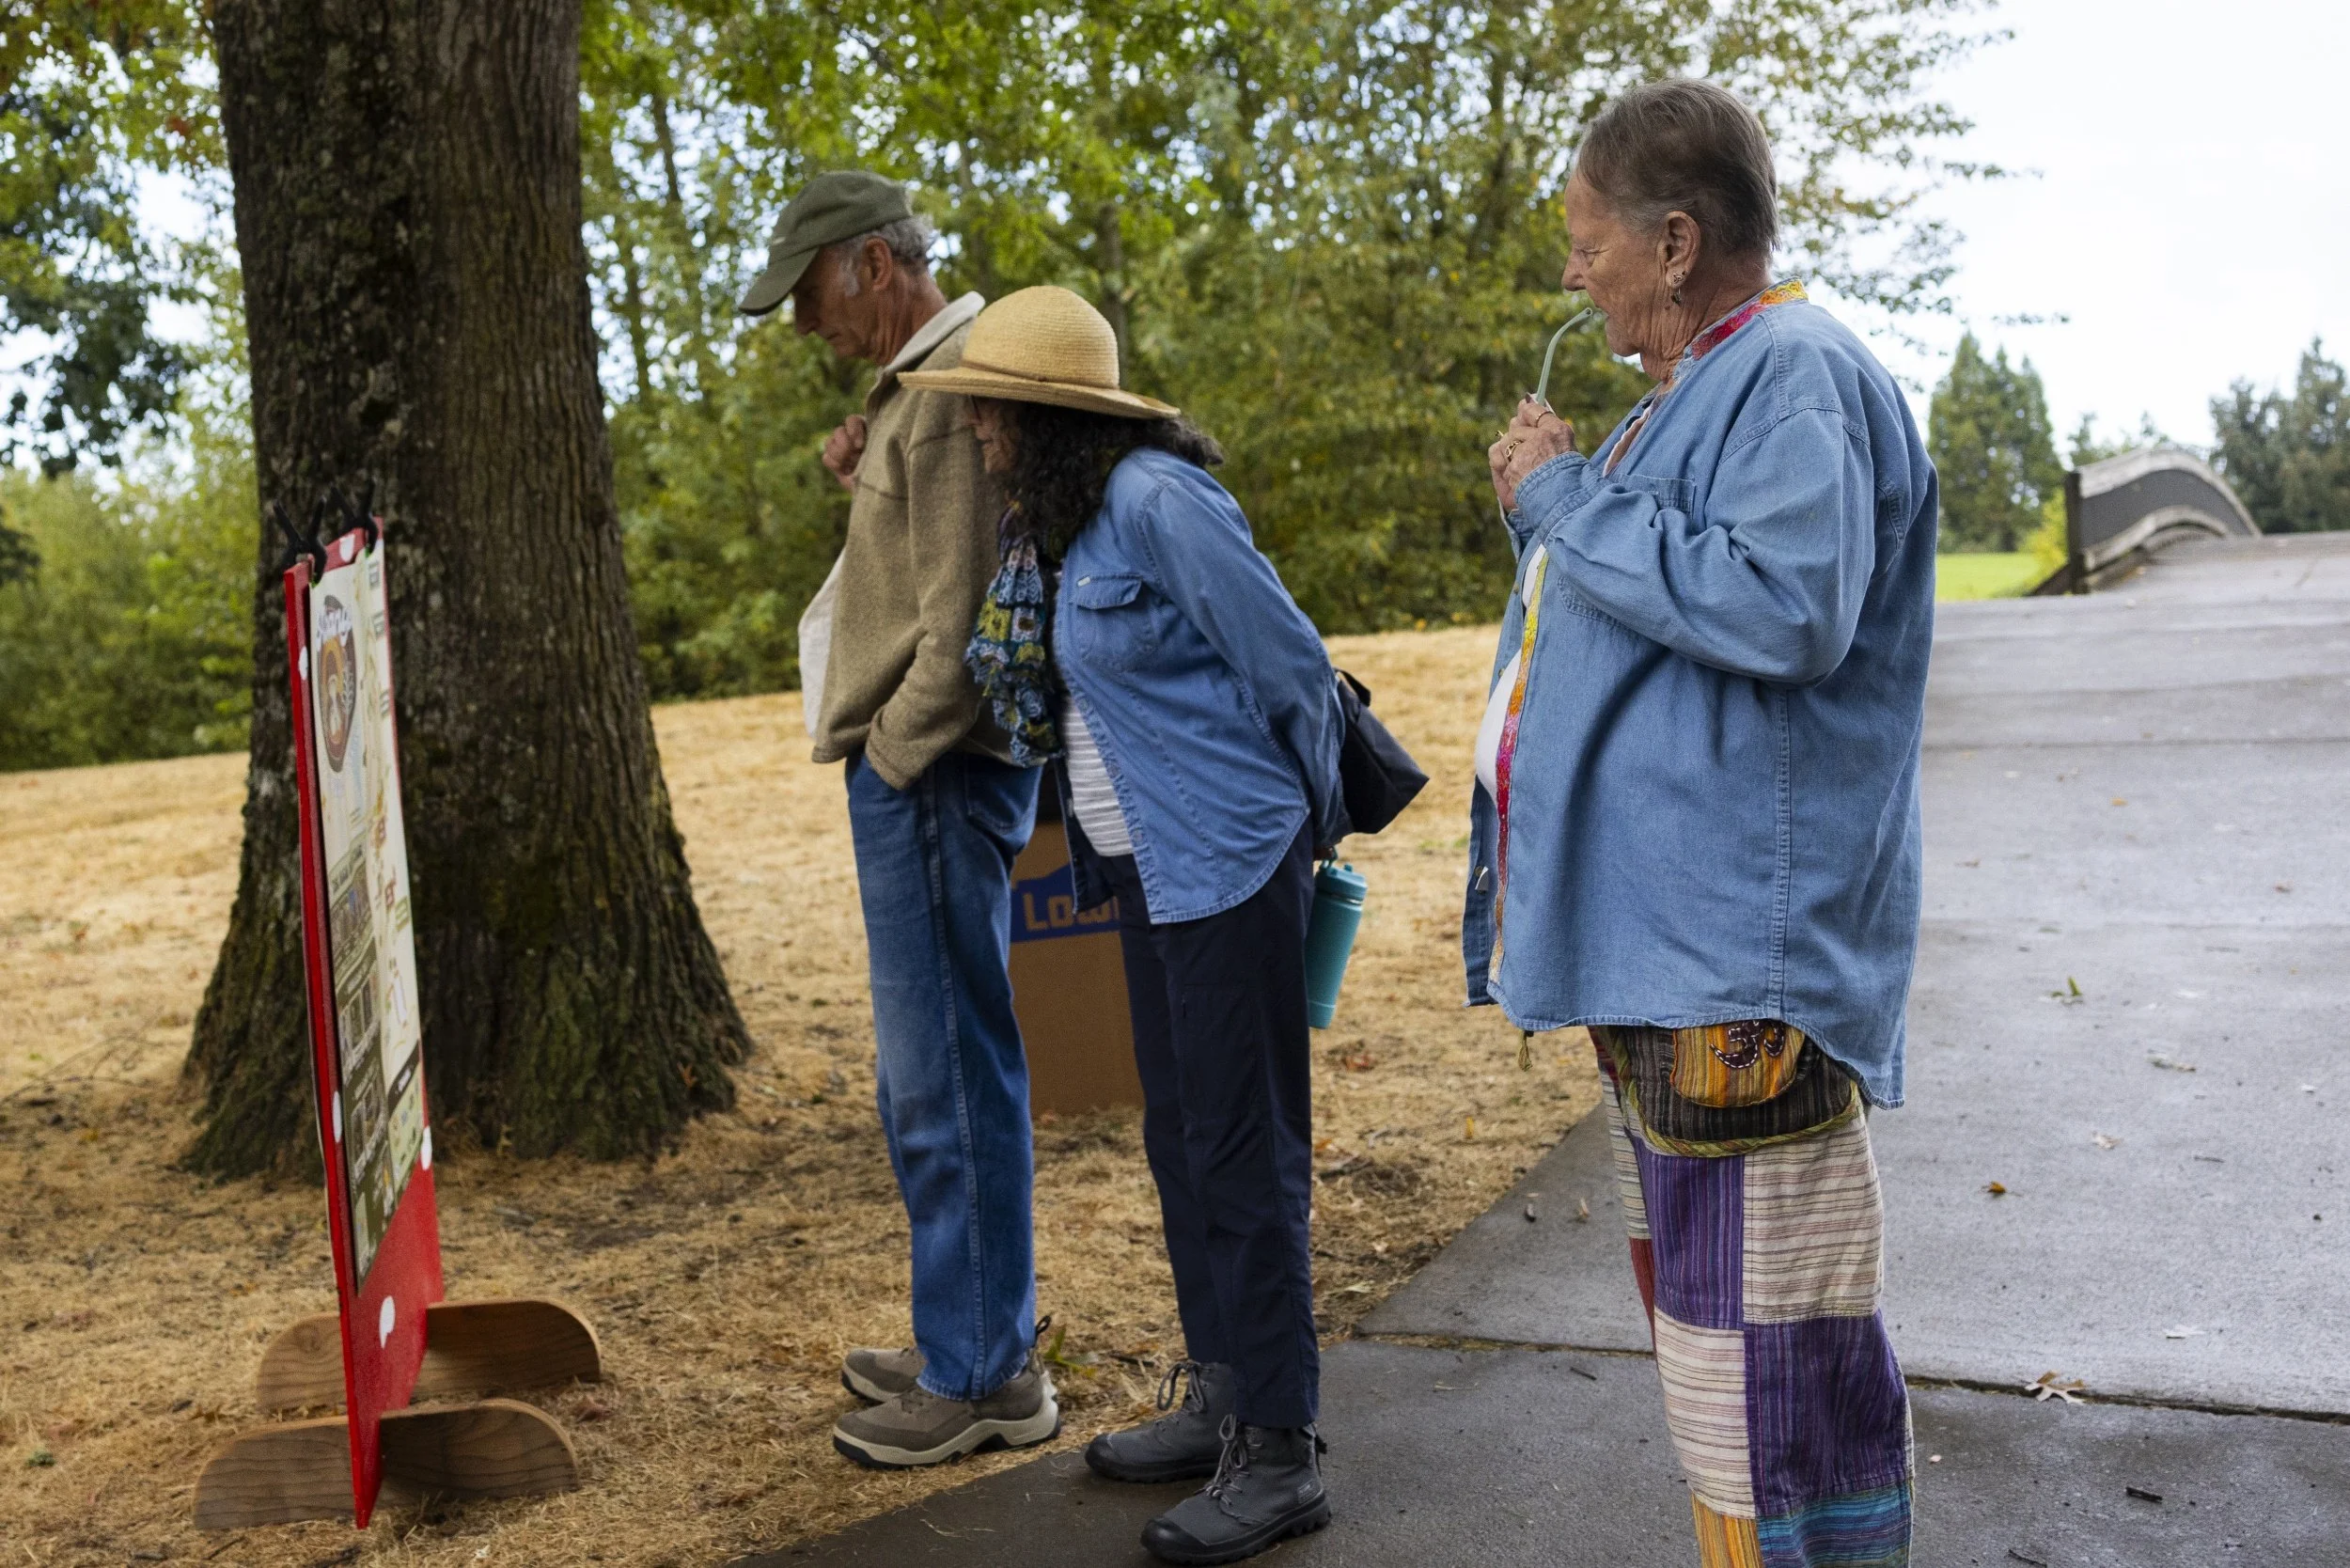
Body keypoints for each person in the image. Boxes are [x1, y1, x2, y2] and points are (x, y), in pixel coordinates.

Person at [1472, 81, 1936, 1567]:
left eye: (1586, 238)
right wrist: (1563, 504)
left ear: (1676, 242)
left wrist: (1563, 502)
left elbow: (1785, 607)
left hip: (1737, 960)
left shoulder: (1792, 371)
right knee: (1723, 1356)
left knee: (1770, 1364)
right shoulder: (1709, 380)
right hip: (1675, 958)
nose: (1570, 270)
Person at [903, 285, 1346, 1566]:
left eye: (989, 404)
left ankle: (1282, 1450)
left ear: (1043, 414)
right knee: (1183, 1142)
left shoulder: (1158, 502)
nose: (976, 426)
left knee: (1245, 1157)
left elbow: (1293, 667)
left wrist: (1296, 841)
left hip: (1231, 869)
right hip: (1150, 874)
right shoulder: (1068, 518)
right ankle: (1225, 1396)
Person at [738, 171, 1057, 1469]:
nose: (808, 323)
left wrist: (897, 752)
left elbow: (969, 608)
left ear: (874, 263)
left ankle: (982, 1375)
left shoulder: (957, 379)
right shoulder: (923, 387)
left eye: (813, 292)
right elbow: (928, 551)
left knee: (945, 1079)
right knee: (936, 1069)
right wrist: (869, 442)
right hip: (928, 776)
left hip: (931, 774)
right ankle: (970, 1334)